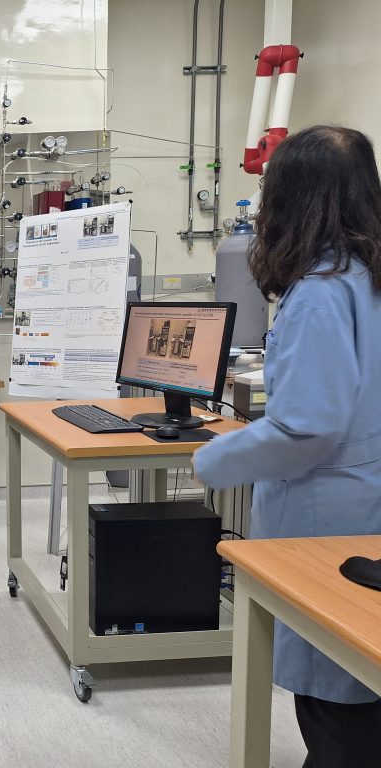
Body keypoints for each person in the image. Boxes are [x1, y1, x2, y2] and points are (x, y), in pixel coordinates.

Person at [194, 125, 381, 768]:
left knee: (334, 694)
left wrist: (211, 457)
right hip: (367, 507)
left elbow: (306, 429)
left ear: (291, 199)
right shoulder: (366, 276)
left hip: (327, 517)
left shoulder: (322, 292)